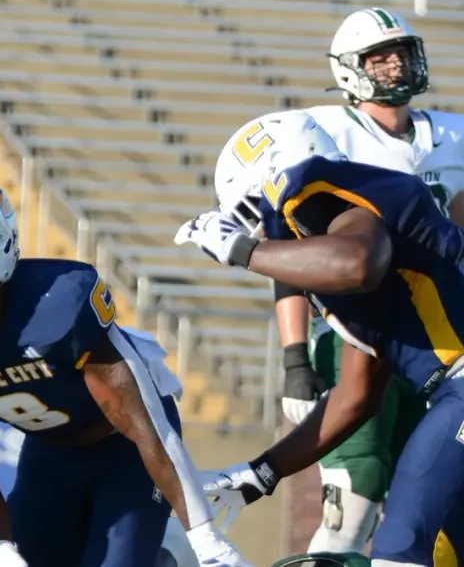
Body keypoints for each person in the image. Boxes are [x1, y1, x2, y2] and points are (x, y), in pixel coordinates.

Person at [0, 168, 249, 566]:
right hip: (49, 454)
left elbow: (148, 431)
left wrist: (206, 537)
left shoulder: (57, 306)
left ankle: (170, 557)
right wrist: (1, 550)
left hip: (125, 452)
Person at [174, 112, 464, 567]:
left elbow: (357, 263)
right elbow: (356, 395)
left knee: (401, 550)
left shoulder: (334, 205)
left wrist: (243, 251)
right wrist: (261, 473)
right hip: (451, 389)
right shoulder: (362, 248)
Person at [270, 7, 463, 555]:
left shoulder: (451, 137)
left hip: (440, 345)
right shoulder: (322, 136)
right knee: (353, 502)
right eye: (379, 59)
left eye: (400, 54)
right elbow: (292, 256)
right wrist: (294, 360)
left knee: (429, 508)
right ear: (350, 71)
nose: (394, 66)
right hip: (357, 340)